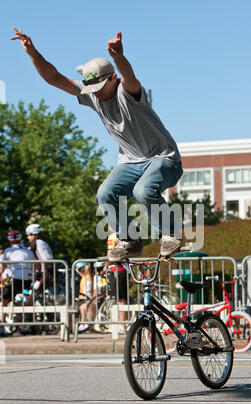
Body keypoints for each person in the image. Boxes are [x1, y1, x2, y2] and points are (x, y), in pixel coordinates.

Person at [11, 28, 183, 262]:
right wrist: (32, 52)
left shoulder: (128, 92)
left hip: (163, 159)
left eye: (100, 89)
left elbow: (129, 76)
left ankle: (171, 233)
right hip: (130, 162)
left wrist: (119, 58)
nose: (97, 95)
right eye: (93, 90)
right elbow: (55, 78)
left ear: (113, 78)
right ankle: (130, 239)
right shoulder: (92, 94)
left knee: (142, 191)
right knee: (105, 193)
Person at [0, 230, 36, 318]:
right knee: (27, 299)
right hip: (28, 280)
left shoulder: (8, 251)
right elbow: (36, 266)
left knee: (4, 298)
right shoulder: (29, 251)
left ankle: (2, 320)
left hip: (16, 280)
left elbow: (3, 267)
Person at [107, 232, 128, 334]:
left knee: (120, 299)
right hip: (120, 269)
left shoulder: (113, 236)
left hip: (117, 269)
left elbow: (109, 254)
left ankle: (121, 325)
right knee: (120, 299)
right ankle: (121, 324)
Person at [26, 223, 54, 294]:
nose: (27, 237)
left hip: (45, 272)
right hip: (47, 271)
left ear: (33, 235)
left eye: (28, 235)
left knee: (33, 292)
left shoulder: (35, 242)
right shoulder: (42, 242)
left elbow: (28, 255)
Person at [75, 262, 94, 333]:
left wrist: (87, 265)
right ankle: (82, 323)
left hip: (87, 298)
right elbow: (78, 271)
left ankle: (84, 324)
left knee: (83, 308)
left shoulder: (89, 276)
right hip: (82, 298)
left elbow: (88, 270)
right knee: (80, 308)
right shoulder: (83, 277)